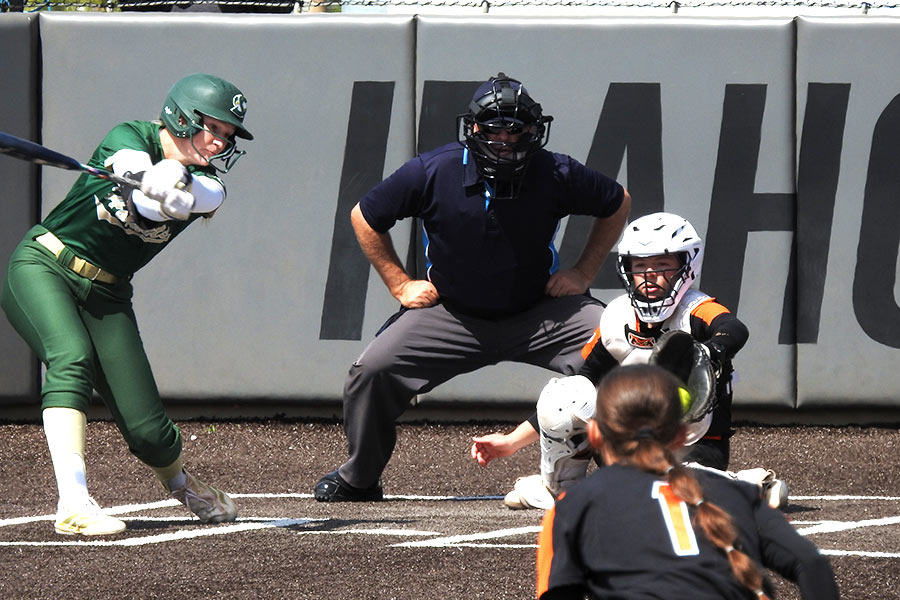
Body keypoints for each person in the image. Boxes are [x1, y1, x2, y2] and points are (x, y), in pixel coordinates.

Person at [314, 72, 631, 502]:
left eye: (516, 128)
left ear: (534, 131)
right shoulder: (433, 169)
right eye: (494, 127)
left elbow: (617, 203)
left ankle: (623, 475)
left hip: (539, 310)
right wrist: (400, 283)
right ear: (474, 128)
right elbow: (364, 216)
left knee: (618, 350)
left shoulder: (556, 171)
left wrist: (583, 272)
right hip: (454, 313)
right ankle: (360, 476)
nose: (505, 138)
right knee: (372, 372)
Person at [1, 73, 253, 536]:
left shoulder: (212, 187)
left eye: (226, 135)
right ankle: (74, 502)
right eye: (213, 128)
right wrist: (151, 181)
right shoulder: (129, 136)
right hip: (45, 264)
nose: (219, 143)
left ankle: (182, 484)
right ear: (181, 116)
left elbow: (192, 198)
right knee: (70, 357)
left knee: (148, 432)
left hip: (109, 291)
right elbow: (134, 171)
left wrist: (173, 190)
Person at [472, 212, 788, 510]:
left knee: (670, 495)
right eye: (640, 266)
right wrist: (511, 442)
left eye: (662, 265)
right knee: (564, 394)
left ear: (686, 267)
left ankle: (747, 486)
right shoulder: (618, 316)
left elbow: (733, 328)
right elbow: (578, 387)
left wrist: (711, 351)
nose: (649, 276)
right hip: (632, 446)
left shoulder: (695, 309)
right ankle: (560, 488)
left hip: (693, 445)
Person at [536, 364, 839, 600]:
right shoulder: (737, 493)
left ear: (595, 434)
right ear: (682, 434)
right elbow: (811, 564)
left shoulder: (572, 507)